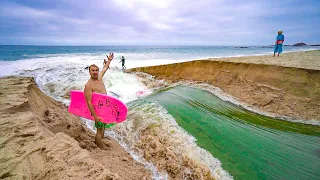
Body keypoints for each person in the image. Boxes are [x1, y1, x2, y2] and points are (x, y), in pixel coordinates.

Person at [84, 53, 115, 149]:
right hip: (98, 110)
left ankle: (100, 141)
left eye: (96, 70)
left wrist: (109, 60)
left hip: (104, 107)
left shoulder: (100, 77)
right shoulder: (88, 85)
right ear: (89, 72)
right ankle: (101, 147)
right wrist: (95, 116)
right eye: (93, 70)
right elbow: (88, 102)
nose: (95, 72)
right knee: (99, 130)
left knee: (103, 127)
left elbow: (105, 68)